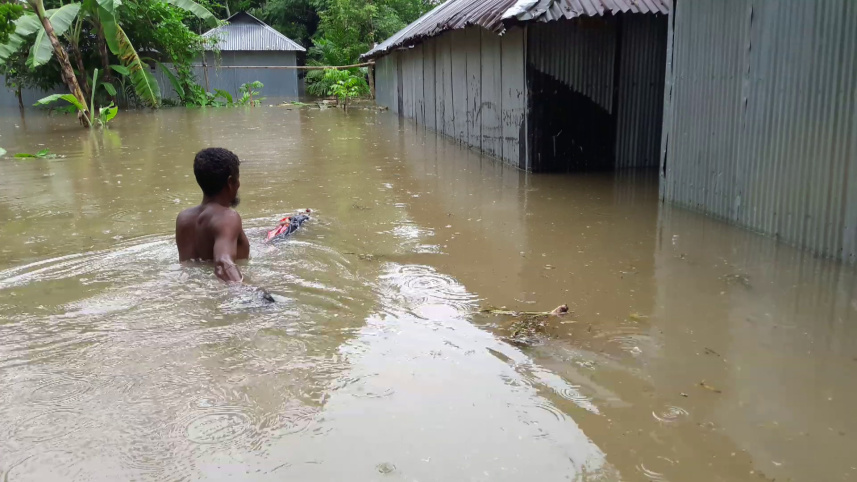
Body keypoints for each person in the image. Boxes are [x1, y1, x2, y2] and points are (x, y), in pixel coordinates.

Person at [176, 148, 249, 282]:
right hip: (224, 291)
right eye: (237, 179)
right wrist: (248, 291)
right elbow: (223, 263)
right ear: (230, 182)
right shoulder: (228, 217)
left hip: (192, 287)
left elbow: (191, 268)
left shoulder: (183, 218)